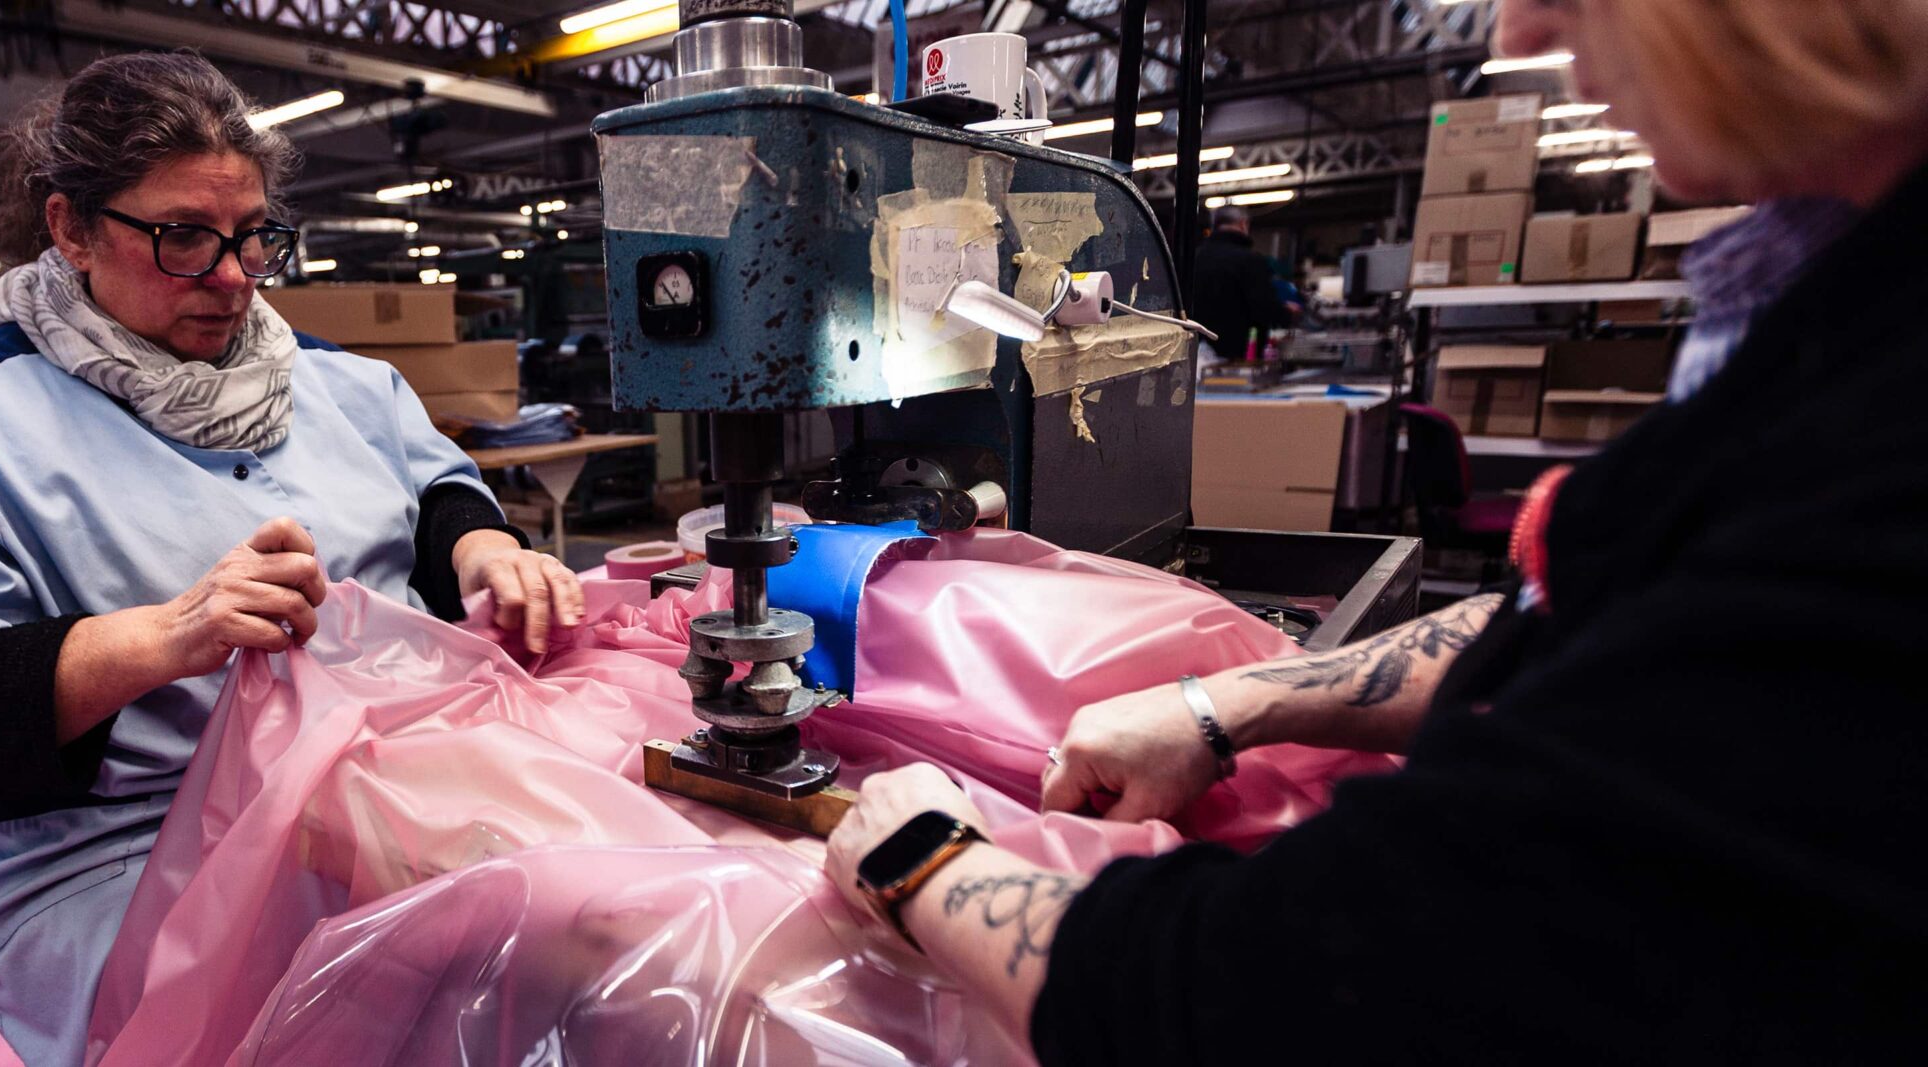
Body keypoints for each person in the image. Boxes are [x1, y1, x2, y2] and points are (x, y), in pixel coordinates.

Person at [825, 0, 1928, 1061]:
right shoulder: (1823, 321)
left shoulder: (1875, 447)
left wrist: (928, 863)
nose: (1520, 33)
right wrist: (1224, 703)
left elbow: (1303, 997)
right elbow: (1600, 614)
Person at [0, 52, 586, 1065]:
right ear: (70, 228)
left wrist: (483, 546)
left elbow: (429, 488)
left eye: (254, 237)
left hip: (385, 791)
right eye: (182, 238)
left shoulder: (336, 380)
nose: (229, 276)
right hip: (119, 848)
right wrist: (164, 635)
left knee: (596, 921)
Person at [1185, 205, 1291, 363]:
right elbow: (1265, 308)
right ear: (1243, 224)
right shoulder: (1251, 260)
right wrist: (1287, 313)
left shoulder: (1192, 259)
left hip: (1193, 357)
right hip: (1240, 360)